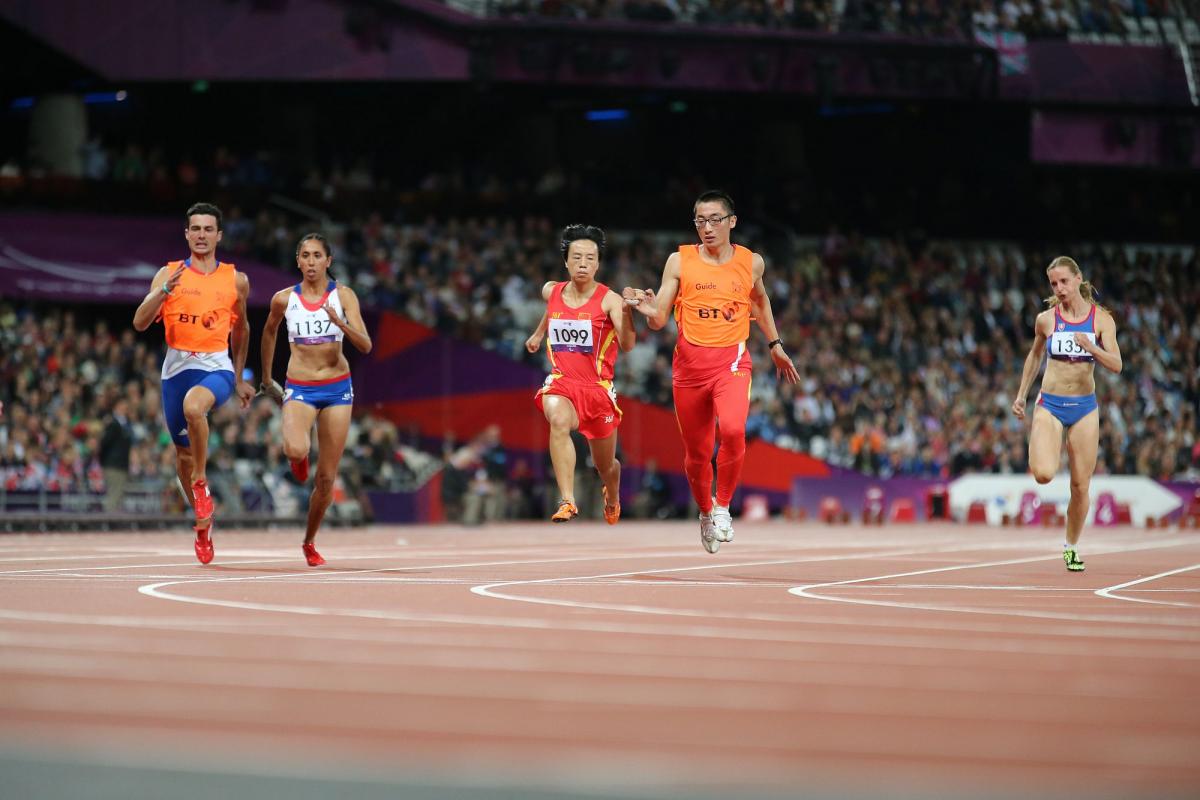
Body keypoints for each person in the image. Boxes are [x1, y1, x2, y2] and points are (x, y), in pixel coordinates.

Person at [626, 190, 799, 553]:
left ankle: (722, 507)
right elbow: (659, 318)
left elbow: (760, 300)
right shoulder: (679, 261)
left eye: (715, 219)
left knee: (734, 430)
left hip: (731, 364)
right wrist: (644, 306)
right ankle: (704, 512)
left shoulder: (751, 263)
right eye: (700, 221)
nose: (707, 227)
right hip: (688, 370)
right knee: (697, 453)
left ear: (731, 222)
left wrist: (775, 344)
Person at [133, 202, 255, 564]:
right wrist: (161, 294)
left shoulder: (236, 280)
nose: (201, 236)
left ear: (219, 235)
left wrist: (239, 375)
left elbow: (242, 328)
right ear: (186, 234)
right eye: (195, 229)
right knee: (182, 455)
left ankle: (201, 483)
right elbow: (140, 323)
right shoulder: (167, 274)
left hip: (215, 366)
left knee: (194, 407)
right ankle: (203, 523)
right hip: (176, 368)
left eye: (208, 229)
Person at [259, 233, 372, 566]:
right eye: (305, 255)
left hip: (337, 388)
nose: (311, 262)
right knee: (295, 449)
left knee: (325, 480)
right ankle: (299, 458)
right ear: (298, 261)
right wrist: (266, 378)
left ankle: (309, 541)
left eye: (317, 255)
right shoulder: (283, 299)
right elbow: (268, 332)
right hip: (300, 387)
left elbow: (365, 344)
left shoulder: (344, 296)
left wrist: (340, 323)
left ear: (328, 261)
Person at [1012, 256, 1122, 572]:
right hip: (1050, 404)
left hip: (1085, 408)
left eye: (1063, 281)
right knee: (1044, 473)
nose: (1059, 288)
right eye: (1053, 284)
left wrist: (1091, 347)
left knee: (1080, 486)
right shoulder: (1046, 320)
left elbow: (1116, 365)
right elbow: (1034, 358)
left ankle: (1070, 547)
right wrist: (1021, 395)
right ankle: (1041, 435)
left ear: (1077, 279)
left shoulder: (1102, 321)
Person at [525, 224, 636, 524]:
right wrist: (538, 335)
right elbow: (552, 310)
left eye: (589, 257)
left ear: (598, 262)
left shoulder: (610, 300)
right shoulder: (552, 289)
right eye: (576, 257)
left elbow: (627, 344)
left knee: (605, 466)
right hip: (563, 381)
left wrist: (626, 314)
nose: (583, 263)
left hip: (597, 390)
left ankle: (611, 494)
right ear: (566, 261)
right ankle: (568, 500)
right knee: (558, 421)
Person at [98, 397, 133, 513]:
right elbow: (104, 443)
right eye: (123, 404)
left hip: (122, 464)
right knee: (114, 494)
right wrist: (105, 461)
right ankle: (107, 522)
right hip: (113, 465)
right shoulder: (113, 423)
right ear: (117, 407)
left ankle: (113, 521)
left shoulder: (125, 422)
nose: (126, 407)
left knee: (119, 495)